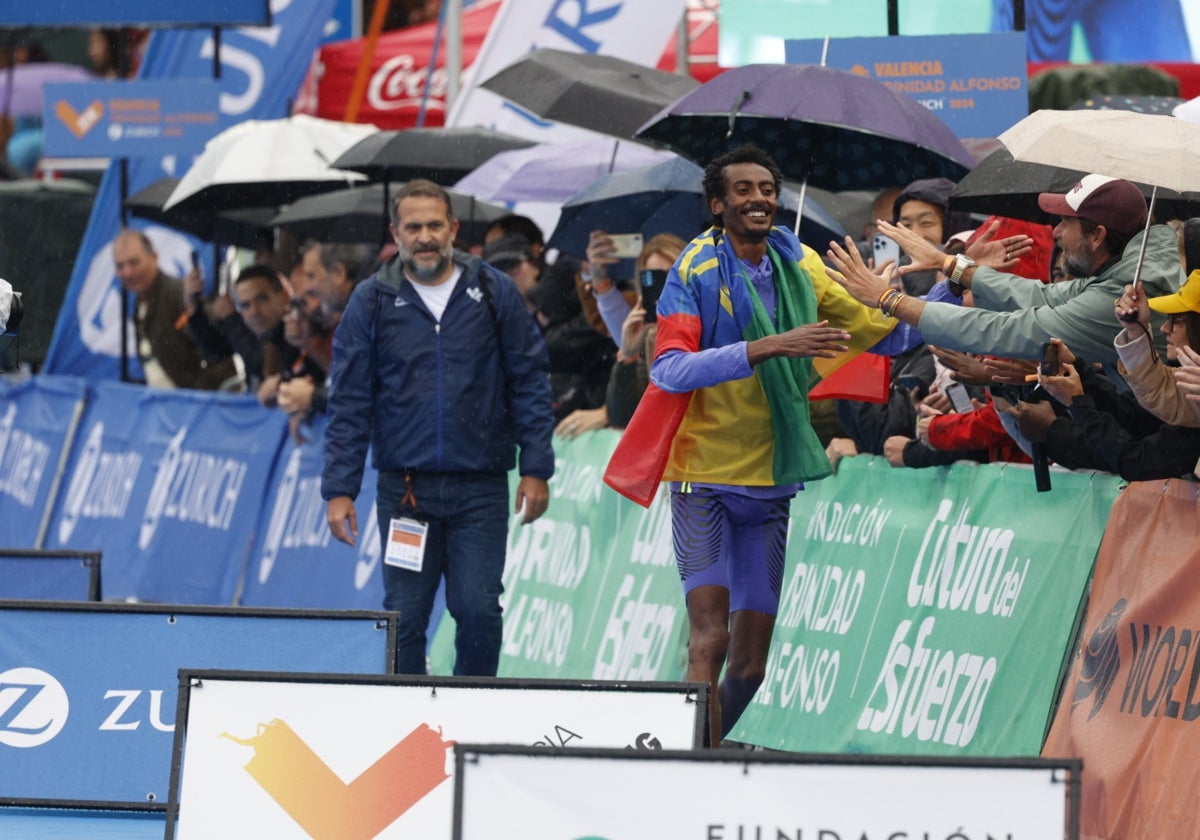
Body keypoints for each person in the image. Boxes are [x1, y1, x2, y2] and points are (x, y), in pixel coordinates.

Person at [603, 144, 899, 744]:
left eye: (767, 188)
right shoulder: (695, 269)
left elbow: (878, 335)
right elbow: (670, 371)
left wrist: (948, 281)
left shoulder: (801, 264)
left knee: (750, 666)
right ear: (717, 204)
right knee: (709, 640)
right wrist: (768, 345)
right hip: (702, 477)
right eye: (743, 190)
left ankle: (694, 755)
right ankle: (693, 779)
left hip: (770, 480)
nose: (759, 198)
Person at [322, 179, 555, 677]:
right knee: (403, 619)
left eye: (434, 225)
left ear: (452, 228)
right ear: (395, 233)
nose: (424, 237)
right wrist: (339, 488)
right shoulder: (372, 300)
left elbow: (530, 380)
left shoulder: (494, 290)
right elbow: (349, 400)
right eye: (413, 227)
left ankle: (472, 717)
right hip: (406, 493)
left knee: (477, 610)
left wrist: (537, 467)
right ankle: (409, 723)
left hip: (481, 490)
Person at [827, 174, 1183, 382]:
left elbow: (1010, 330)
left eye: (1065, 224)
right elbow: (1041, 297)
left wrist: (888, 299)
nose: (1056, 234)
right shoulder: (1125, 270)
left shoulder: (1126, 291)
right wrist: (950, 265)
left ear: (1098, 236)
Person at [111, 229, 236, 390]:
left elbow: (217, 352)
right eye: (120, 266)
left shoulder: (177, 294)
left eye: (134, 262)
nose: (127, 272)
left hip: (194, 405)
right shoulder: (140, 302)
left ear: (154, 258)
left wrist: (198, 397)